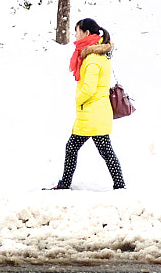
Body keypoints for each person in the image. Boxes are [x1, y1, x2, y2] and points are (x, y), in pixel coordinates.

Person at [48, 18, 125, 190]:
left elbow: (89, 88)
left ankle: (65, 184)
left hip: (92, 112)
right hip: (97, 111)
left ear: (87, 33)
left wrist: (78, 99)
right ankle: (120, 185)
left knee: (72, 148)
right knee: (105, 151)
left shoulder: (91, 59)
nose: (75, 35)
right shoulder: (100, 55)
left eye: (77, 31)